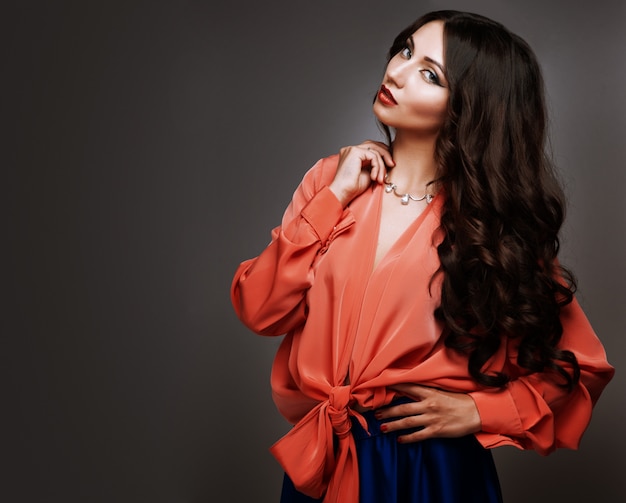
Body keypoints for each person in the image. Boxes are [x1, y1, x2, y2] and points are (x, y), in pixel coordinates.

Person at [230, 9, 614, 503]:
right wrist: (333, 198)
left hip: (431, 470)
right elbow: (259, 308)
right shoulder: (331, 180)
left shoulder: (488, 226)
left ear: (470, 107)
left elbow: (578, 366)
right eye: (406, 51)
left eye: (430, 74)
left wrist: (479, 411)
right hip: (325, 455)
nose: (397, 72)